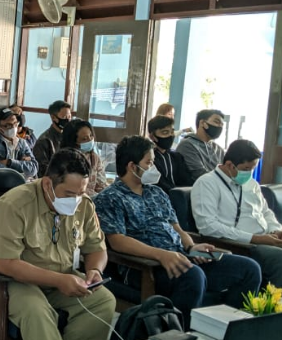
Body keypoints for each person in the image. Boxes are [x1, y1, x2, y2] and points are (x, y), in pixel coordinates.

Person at [0, 149, 115, 340]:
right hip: (2, 278)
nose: (76, 200)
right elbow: (5, 263)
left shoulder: (83, 205)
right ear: (48, 183)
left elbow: (97, 248)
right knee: (35, 308)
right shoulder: (15, 204)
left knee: (103, 301)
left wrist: (95, 272)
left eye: (81, 193)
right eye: (69, 194)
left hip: (57, 277)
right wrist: (60, 280)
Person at [94, 136, 261, 323]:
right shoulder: (110, 198)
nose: (154, 168)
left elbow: (177, 228)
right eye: (149, 163)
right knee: (193, 276)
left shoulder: (156, 192)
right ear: (132, 166)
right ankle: (177, 336)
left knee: (249, 269)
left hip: (180, 256)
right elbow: (118, 241)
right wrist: (162, 255)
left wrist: (191, 247)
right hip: (147, 266)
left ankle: (225, 329)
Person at [192, 139, 282, 299]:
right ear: (230, 165)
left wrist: (276, 230)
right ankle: (277, 313)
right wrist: (257, 239)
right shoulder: (207, 184)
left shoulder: (251, 184)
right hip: (242, 245)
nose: (249, 174)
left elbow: (265, 212)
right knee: (279, 258)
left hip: (267, 237)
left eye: (253, 168)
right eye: (246, 169)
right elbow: (207, 226)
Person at [0, 107, 38, 180]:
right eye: (8, 125)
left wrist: (9, 162)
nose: (13, 127)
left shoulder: (22, 142)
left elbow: (34, 168)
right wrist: (21, 166)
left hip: (20, 183)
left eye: (15, 123)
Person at [175, 109, 226, 184]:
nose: (220, 127)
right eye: (216, 122)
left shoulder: (219, 149)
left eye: (222, 125)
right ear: (202, 123)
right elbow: (200, 174)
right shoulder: (187, 145)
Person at [61, 119, 107, 197]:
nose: (90, 140)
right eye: (84, 139)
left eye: (91, 135)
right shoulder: (65, 160)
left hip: (92, 201)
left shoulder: (94, 158)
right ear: (73, 142)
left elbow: (101, 185)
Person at [147, 116, 191, 194]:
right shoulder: (149, 159)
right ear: (152, 136)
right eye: (165, 132)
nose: (170, 136)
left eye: (172, 132)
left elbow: (186, 181)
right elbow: (160, 184)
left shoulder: (177, 157)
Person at [33, 100, 72, 178]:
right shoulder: (44, 141)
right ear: (53, 117)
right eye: (64, 117)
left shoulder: (70, 136)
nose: (68, 120)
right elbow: (43, 171)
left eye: (69, 117)